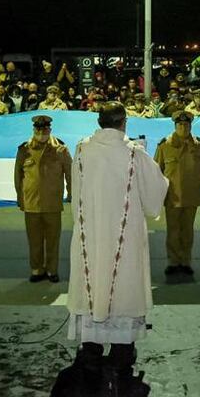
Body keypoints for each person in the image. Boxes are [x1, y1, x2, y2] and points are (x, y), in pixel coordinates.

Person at [66, 102, 168, 378]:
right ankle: (122, 350)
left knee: (93, 281)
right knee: (124, 282)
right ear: (124, 122)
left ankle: (91, 346)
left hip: (92, 231)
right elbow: (155, 192)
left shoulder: (83, 149)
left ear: (99, 122)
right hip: (125, 235)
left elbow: (75, 195)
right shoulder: (134, 154)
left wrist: (83, 223)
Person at [14, 115, 71, 283]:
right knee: (34, 240)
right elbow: (18, 176)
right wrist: (20, 197)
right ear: (34, 130)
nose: (42, 133)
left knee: (53, 240)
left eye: (45, 130)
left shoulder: (60, 149)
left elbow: (70, 172)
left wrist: (71, 194)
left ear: (50, 130)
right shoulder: (24, 150)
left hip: (52, 203)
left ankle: (52, 270)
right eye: (38, 130)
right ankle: (37, 269)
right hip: (31, 203)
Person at [155, 110, 200, 276]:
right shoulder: (165, 145)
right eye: (180, 124)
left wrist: (196, 182)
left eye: (186, 125)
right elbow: (157, 169)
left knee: (187, 230)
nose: (183, 127)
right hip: (172, 196)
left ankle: (186, 261)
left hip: (191, 195)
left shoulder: (199, 146)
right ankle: (173, 262)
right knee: (173, 230)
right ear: (175, 126)